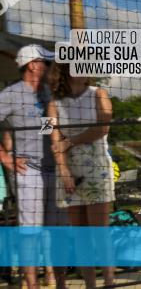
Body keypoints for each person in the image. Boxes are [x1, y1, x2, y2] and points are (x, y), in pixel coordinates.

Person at [0, 45, 67, 289]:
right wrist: (5, 157)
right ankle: (32, 285)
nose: (51, 67)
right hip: (29, 171)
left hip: (54, 170)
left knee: (56, 232)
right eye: (47, 63)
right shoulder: (11, 94)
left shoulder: (51, 94)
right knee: (30, 233)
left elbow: (50, 130)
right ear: (33, 66)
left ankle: (60, 284)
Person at [46, 62, 115, 288]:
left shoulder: (100, 94)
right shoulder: (53, 104)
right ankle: (90, 285)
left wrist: (70, 141)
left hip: (97, 168)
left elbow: (102, 128)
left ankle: (109, 282)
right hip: (68, 171)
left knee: (100, 233)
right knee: (81, 236)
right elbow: (51, 138)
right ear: (68, 70)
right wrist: (64, 171)